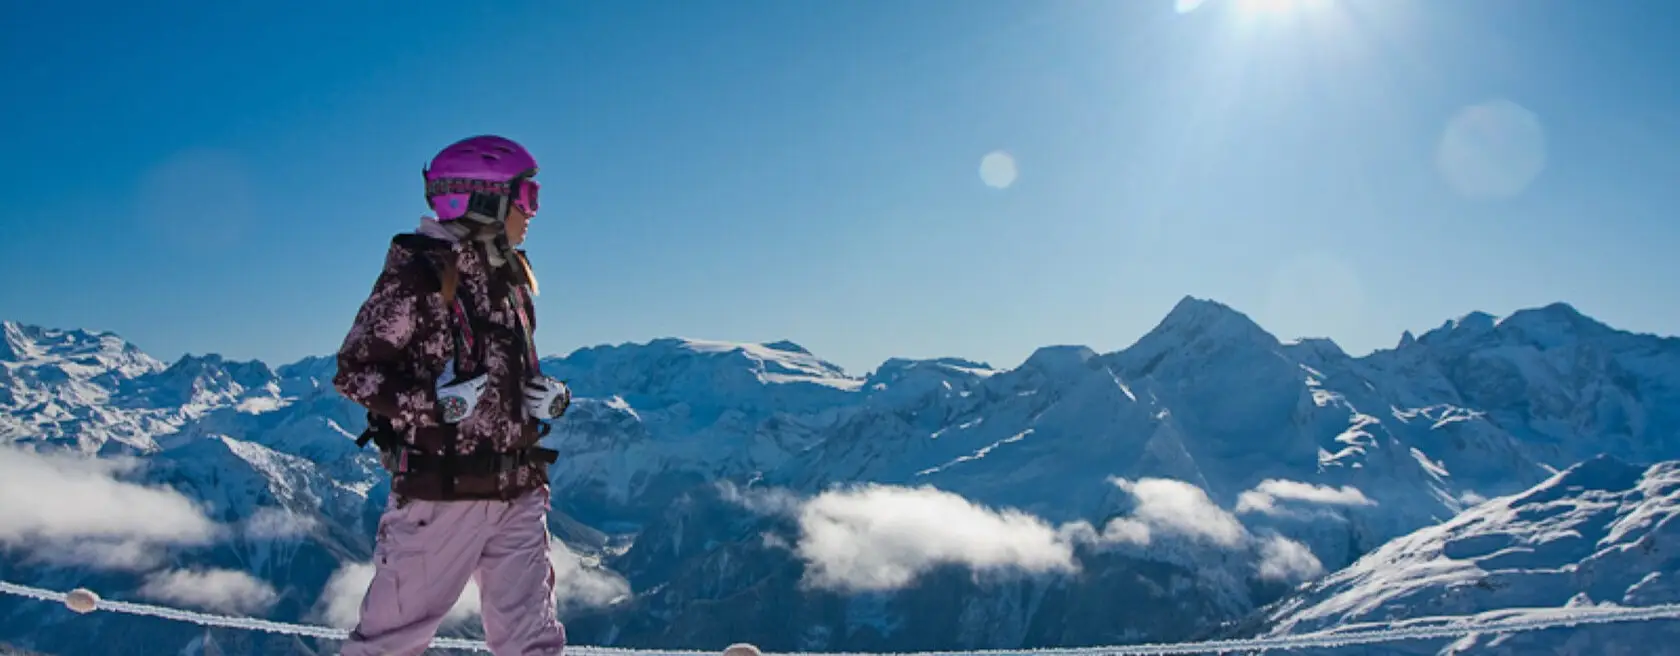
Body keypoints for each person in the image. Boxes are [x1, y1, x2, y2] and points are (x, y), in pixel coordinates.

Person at [332, 134, 573, 655]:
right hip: (442, 492)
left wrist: (537, 394)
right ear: (482, 200)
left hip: (519, 486)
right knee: (389, 645)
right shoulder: (419, 276)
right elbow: (354, 372)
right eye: (525, 198)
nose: (533, 212)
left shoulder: (510, 277)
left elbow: (499, 368)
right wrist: (433, 404)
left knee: (532, 644)